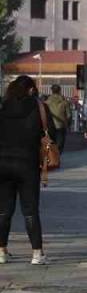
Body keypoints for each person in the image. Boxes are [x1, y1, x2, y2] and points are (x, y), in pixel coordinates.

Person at [0, 76, 49, 265]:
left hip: (3, 164)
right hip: (28, 165)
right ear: (30, 90)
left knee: (3, 210)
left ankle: (2, 251)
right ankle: (37, 253)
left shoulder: (3, 108)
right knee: (30, 210)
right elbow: (50, 133)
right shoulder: (38, 108)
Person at [44, 85, 70, 153]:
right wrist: (68, 125)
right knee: (60, 145)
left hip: (49, 126)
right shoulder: (64, 102)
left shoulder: (46, 102)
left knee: (51, 143)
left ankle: (51, 158)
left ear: (51, 91)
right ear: (60, 91)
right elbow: (69, 115)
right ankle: (57, 157)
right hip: (61, 126)